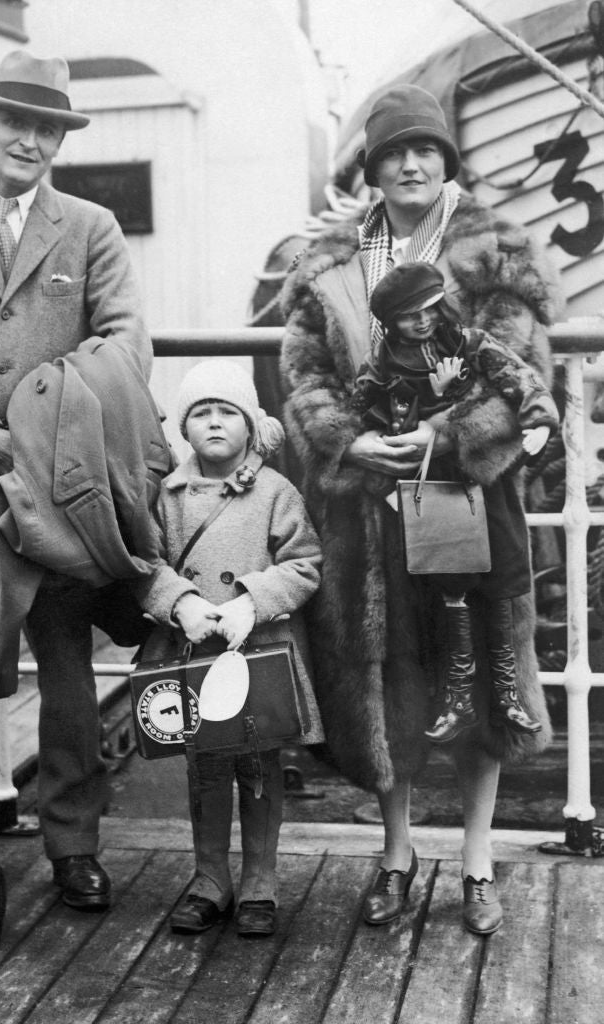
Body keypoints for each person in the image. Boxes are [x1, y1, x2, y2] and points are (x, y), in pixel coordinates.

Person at [279, 83, 559, 935]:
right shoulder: (325, 260)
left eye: (425, 149)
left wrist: (442, 439)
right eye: (394, 151)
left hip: (467, 500)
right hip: (367, 506)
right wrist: (345, 441)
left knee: (481, 681)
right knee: (386, 677)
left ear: (447, 160)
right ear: (370, 165)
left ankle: (477, 860)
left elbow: (519, 371)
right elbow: (302, 377)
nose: (410, 163)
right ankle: (396, 853)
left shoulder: (498, 251)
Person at [0, 50, 153, 911]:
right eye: (17, 122)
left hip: (62, 494)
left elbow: (124, 344)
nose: (31, 141)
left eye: (48, 127)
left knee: (69, 673)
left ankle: (73, 845)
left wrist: (43, 439)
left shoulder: (91, 229)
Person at [136, 360, 323, 937]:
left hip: (257, 651)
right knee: (206, 766)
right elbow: (145, 563)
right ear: (184, 429)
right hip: (192, 651)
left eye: (227, 413)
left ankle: (260, 883)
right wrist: (182, 602)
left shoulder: (274, 491)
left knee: (259, 764)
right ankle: (210, 879)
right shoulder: (166, 496)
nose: (214, 424)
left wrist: (252, 600)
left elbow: (305, 562)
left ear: (250, 424)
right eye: (201, 414)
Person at [357, 261, 559, 743]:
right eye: (409, 316)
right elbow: (386, 426)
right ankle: (459, 698)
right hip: (434, 491)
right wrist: (437, 397)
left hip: (486, 487)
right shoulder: (381, 366)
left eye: (428, 309)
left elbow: (519, 381)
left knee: (502, 583)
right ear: (390, 321)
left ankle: (507, 696)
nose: (422, 321)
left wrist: (539, 419)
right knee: (452, 590)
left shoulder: (470, 343)